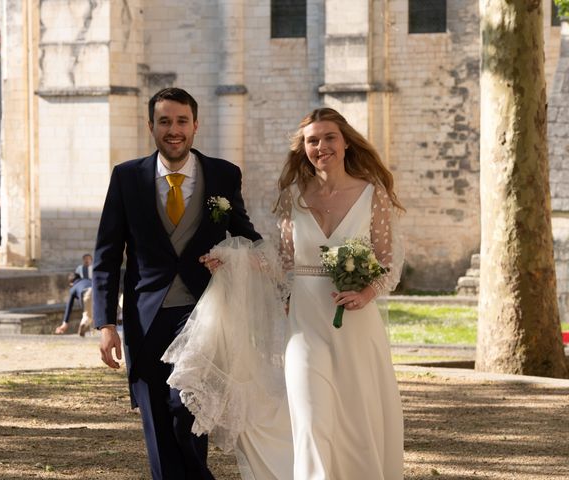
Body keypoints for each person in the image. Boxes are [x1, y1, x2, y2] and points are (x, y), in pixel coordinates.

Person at [174, 107, 405, 479]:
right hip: (305, 325)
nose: (321, 146)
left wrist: (365, 293)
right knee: (311, 419)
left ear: (345, 142)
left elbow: (388, 262)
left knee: (357, 422)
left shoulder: (371, 194)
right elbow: (282, 263)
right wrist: (233, 261)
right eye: (312, 141)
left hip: (357, 325)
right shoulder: (293, 198)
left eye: (329, 137)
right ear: (304, 150)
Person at [92, 87, 261, 480]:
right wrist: (105, 324)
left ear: (195, 125)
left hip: (203, 316)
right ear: (150, 126)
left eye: (181, 121)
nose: (173, 130)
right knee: (156, 422)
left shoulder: (223, 174)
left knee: (186, 413)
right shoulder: (126, 177)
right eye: (164, 121)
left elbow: (246, 237)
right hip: (145, 319)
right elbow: (106, 255)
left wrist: (240, 256)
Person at [55, 253, 93, 335]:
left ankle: (84, 323)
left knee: (87, 315)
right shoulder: (88, 280)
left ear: (71, 283)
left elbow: (69, 305)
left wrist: (65, 323)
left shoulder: (74, 287)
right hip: (97, 291)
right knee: (98, 313)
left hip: (86, 294)